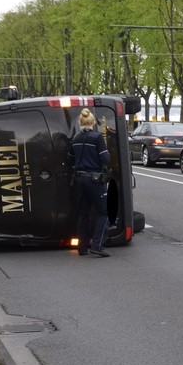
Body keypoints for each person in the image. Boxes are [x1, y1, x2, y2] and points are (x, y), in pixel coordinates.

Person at [70, 108, 111, 258]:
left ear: (80, 123)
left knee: (83, 213)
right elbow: (105, 158)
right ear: (93, 123)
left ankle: (82, 247)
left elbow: (70, 159)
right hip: (94, 179)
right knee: (104, 212)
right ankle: (97, 245)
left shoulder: (75, 139)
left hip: (79, 179)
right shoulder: (97, 137)